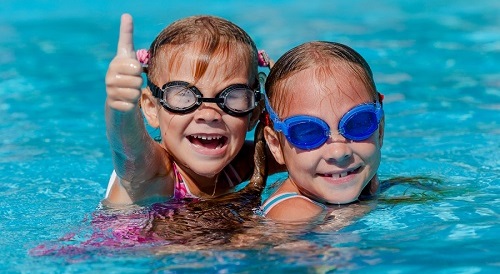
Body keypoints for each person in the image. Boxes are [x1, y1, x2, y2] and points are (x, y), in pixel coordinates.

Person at [104, 13, 278, 205]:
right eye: (184, 96)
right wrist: (121, 108)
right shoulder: (152, 173)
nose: (209, 114)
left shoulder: (242, 163)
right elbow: (127, 149)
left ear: (253, 112)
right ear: (152, 107)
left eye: (233, 97)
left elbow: (306, 153)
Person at [260, 41, 384, 222]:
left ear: (380, 129)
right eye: (309, 132)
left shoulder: (365, 179)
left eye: (358, 124)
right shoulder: (293, 214)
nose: (339, 152)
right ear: (275, 145)